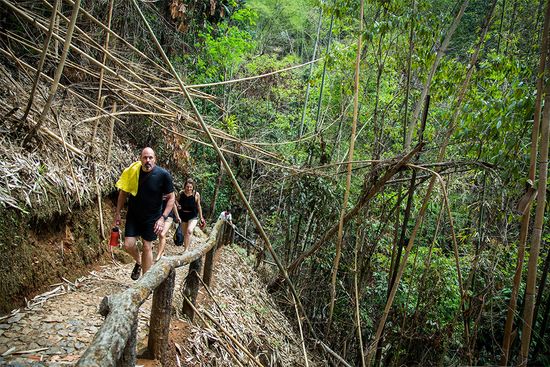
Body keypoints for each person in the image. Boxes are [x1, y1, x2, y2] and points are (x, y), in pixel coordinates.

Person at [114, 147, 175, 280]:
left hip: (152, 217)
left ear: (155, 159)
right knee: (128, 245)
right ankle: (139, 262)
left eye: (150, 158)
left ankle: (145, 282)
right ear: (140, 158)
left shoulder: (163, 175)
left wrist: (162, 218)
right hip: (134, 216)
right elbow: (123, 192)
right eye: (145, 157)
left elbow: (171, 198)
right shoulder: (133, 172)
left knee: (147, 246)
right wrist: (118, 213)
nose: (148, 160)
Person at [177, 178, 205, 250]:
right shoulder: (181, 193)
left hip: (193, 215)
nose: (189, 188)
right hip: (183, 215)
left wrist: (201, 217)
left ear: (193, 187)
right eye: (187, 187)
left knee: (189, 231)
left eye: (190, 187)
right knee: (184, 233)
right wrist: (178, 205)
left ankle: (186, 250)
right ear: (185, 186)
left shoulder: (196, 194)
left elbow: (199, 206)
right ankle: (186, 249)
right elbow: (175, 201)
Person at [155, 194, 179, 261]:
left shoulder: (170, 193)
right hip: (158, 216)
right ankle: (162, 251)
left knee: (162, 234)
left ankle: (159, 255)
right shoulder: (158, 190)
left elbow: (173, 205)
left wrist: (177, 216)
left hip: (169, 217)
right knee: (161, 235)